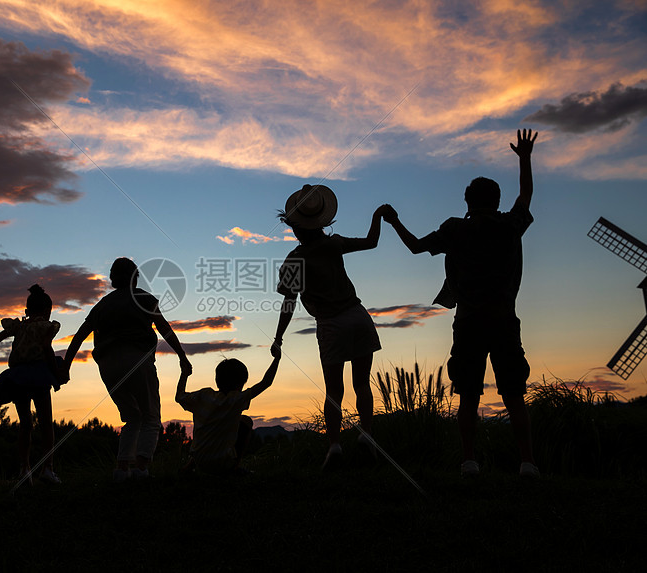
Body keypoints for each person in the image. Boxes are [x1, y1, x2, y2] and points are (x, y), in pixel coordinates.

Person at [384, 129, 540, 478]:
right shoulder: (510, 226)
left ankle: (469, 461)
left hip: (469, 322)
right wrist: (525, 157)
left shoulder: (455, 229)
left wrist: (394, 221)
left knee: (468, 395)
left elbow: (414, 246)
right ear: (496, 201)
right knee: (514, 394)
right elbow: (527, 195)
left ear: (467, 201)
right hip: (503, 320)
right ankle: (527, 462)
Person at [272, 184, 390, 470]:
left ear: (294, 226)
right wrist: (377, 216)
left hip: (330, 325)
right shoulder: (334, 244)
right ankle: (367, 436)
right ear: (322, 220)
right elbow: (372, 241)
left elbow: (288, 302)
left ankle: (335, 446)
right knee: (362, 383)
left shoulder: (294, 259)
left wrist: (278, 338)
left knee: (334, 392)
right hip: (357, 316)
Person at [63, 257, 192, 481]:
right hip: (137, 361)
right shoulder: (143, 298)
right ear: (136, 277)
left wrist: (66, 366)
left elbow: (79, 336)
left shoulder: (103, 305)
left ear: (113, 278)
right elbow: (164, 328)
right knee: (150, 416)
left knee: (132, 417)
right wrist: (181, 355)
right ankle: (141, 469)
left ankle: (122, 469)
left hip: (108, 366)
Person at [0, 284, 67, 486]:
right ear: (48, 310)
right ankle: (48, 468)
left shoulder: (18, 326)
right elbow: (47, 347)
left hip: (18, 377)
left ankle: (25, 469)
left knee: (26, 424)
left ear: (27, 311)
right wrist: (56, 373)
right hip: (38, 375)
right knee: (46, 422)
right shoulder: (47, 326)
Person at [176, 349, 281, 475]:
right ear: (240, 384)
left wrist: (184, 374)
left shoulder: (203, 396)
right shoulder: (236, 400)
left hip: (200, 461)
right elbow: (266, 383)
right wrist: (276, 359)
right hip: (222, 464)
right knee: (246, 421)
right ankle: (234, 469)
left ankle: (188, 467)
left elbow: (179, 396)